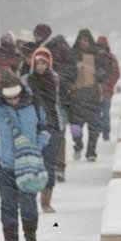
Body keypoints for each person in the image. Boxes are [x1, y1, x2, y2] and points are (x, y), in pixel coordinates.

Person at [0, 71, 50, 241]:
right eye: (8, 96)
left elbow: (44, 128)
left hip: (29, 165)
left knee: (28, 205)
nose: (13, 100)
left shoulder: (34, 104)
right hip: (3, 167)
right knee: (8, 205)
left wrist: (37, 147)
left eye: (16, 95)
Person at [22, 47, 64, 213]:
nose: (40, 66)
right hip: (33, 129)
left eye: (43, 63)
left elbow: (61, 102)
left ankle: (46, 201)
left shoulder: (55, 80)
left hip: (53, 127)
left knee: (49, 165)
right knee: (32, 165)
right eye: (38, 62)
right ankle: (29, 200)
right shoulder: (26, 81)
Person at [69, 29, 109, 162]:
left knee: (94, 126)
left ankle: (91, 151)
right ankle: (77, 144)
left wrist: (99, 75)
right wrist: (71, 82)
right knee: (75, 126)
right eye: (81, 40)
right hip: (76, 98)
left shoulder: (97, 54)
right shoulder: (72, 55)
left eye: (86, 40)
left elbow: (106, 71)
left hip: (93, 97)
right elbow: (66, 73)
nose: (83, 43)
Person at [48, 34, 77, 182]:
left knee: (57, 136)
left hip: (58, 104)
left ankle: (56, 166)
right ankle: (57, 167)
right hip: (58, 104)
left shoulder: (52, 61)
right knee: (58, 137)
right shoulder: (68, 59)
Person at [96, 36, 120, 141]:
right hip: (106, 91)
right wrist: (110, 84)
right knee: (105, 112)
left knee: (98, 112)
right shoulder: (111, 58)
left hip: (96, 91)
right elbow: (116, 73)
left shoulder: (95, 57)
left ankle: (100, 131)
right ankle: (105, 133)